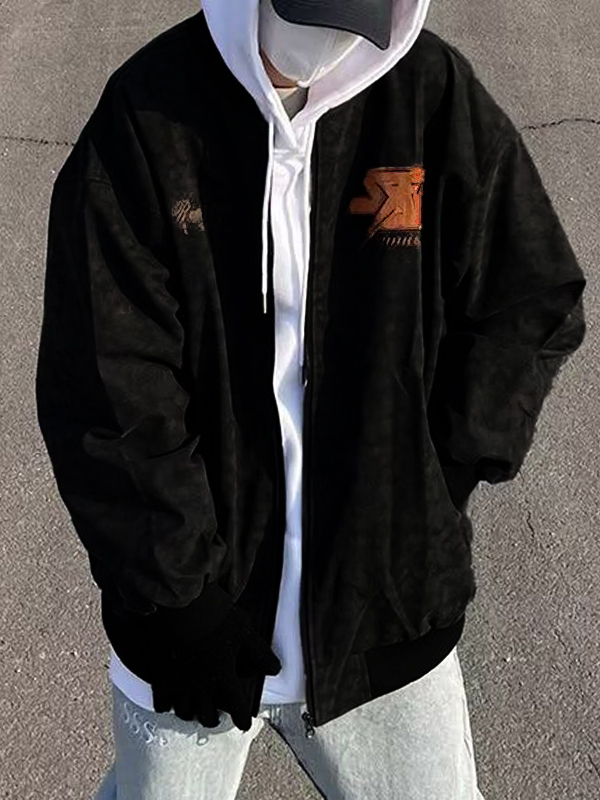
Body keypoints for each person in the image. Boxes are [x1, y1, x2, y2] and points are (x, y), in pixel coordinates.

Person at [35, 0, 587, 798]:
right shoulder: (150, 113)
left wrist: (437, 477)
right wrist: (177, 598)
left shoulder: (428, 95)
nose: (326, 41)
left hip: (386, 630)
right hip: (188, 644)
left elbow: (530, 295)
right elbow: (105, 378)